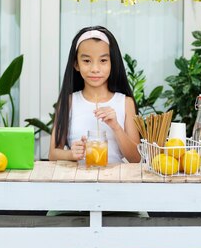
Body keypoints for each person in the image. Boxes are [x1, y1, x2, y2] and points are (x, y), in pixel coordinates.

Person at [49, 26, 141, 164]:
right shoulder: (69, 102)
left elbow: (136, 158)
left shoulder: (125, 102)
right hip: (78, 182)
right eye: (86, 61)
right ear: (76, 64)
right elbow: (53, 153)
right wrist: (71, 154)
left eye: (103, 61)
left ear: (112, 63)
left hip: (117, 182)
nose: (95, 69)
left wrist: (116, 126)